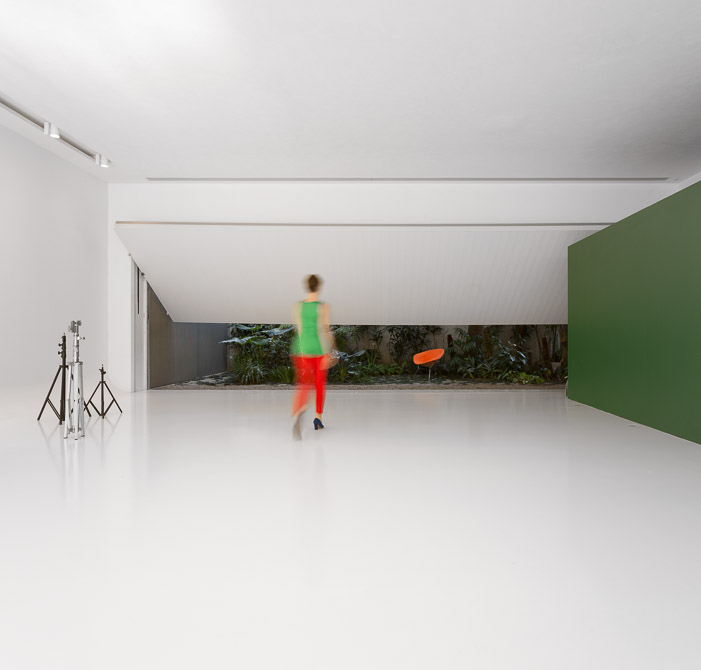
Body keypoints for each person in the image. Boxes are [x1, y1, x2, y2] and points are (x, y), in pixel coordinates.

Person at [291, 274, 336, 440]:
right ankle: (318, 418)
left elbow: (299, 329)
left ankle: (299, 411)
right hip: (318, 348)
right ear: (318, 287)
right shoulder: (323, 307)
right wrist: (331, 350)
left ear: (307, 287)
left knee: (304, 383)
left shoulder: (298, 306)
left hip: (301, 348)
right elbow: (326, 330)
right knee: (319, 384)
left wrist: (301, 349)